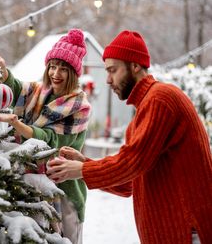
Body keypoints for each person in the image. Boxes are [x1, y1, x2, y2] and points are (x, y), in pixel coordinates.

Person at [47, 30, 212, 244]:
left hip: (187, 231)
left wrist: (82, 170)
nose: (107, 79)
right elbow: (130, 183)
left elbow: (132, 162)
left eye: (113, 70)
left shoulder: (160, 99)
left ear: (135, 66)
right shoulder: (142, 113)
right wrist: (84, 164)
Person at [0, 28, 91, 244]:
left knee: (64, 239)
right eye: (52, 66)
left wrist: (17, 124)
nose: (55, 73)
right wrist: (4, 72)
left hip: (64, 190)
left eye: (63, 69)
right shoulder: (40, 91)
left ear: (73, 73)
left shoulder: (79, 107)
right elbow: (16, 89)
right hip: (30, 182)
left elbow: (49, 142)